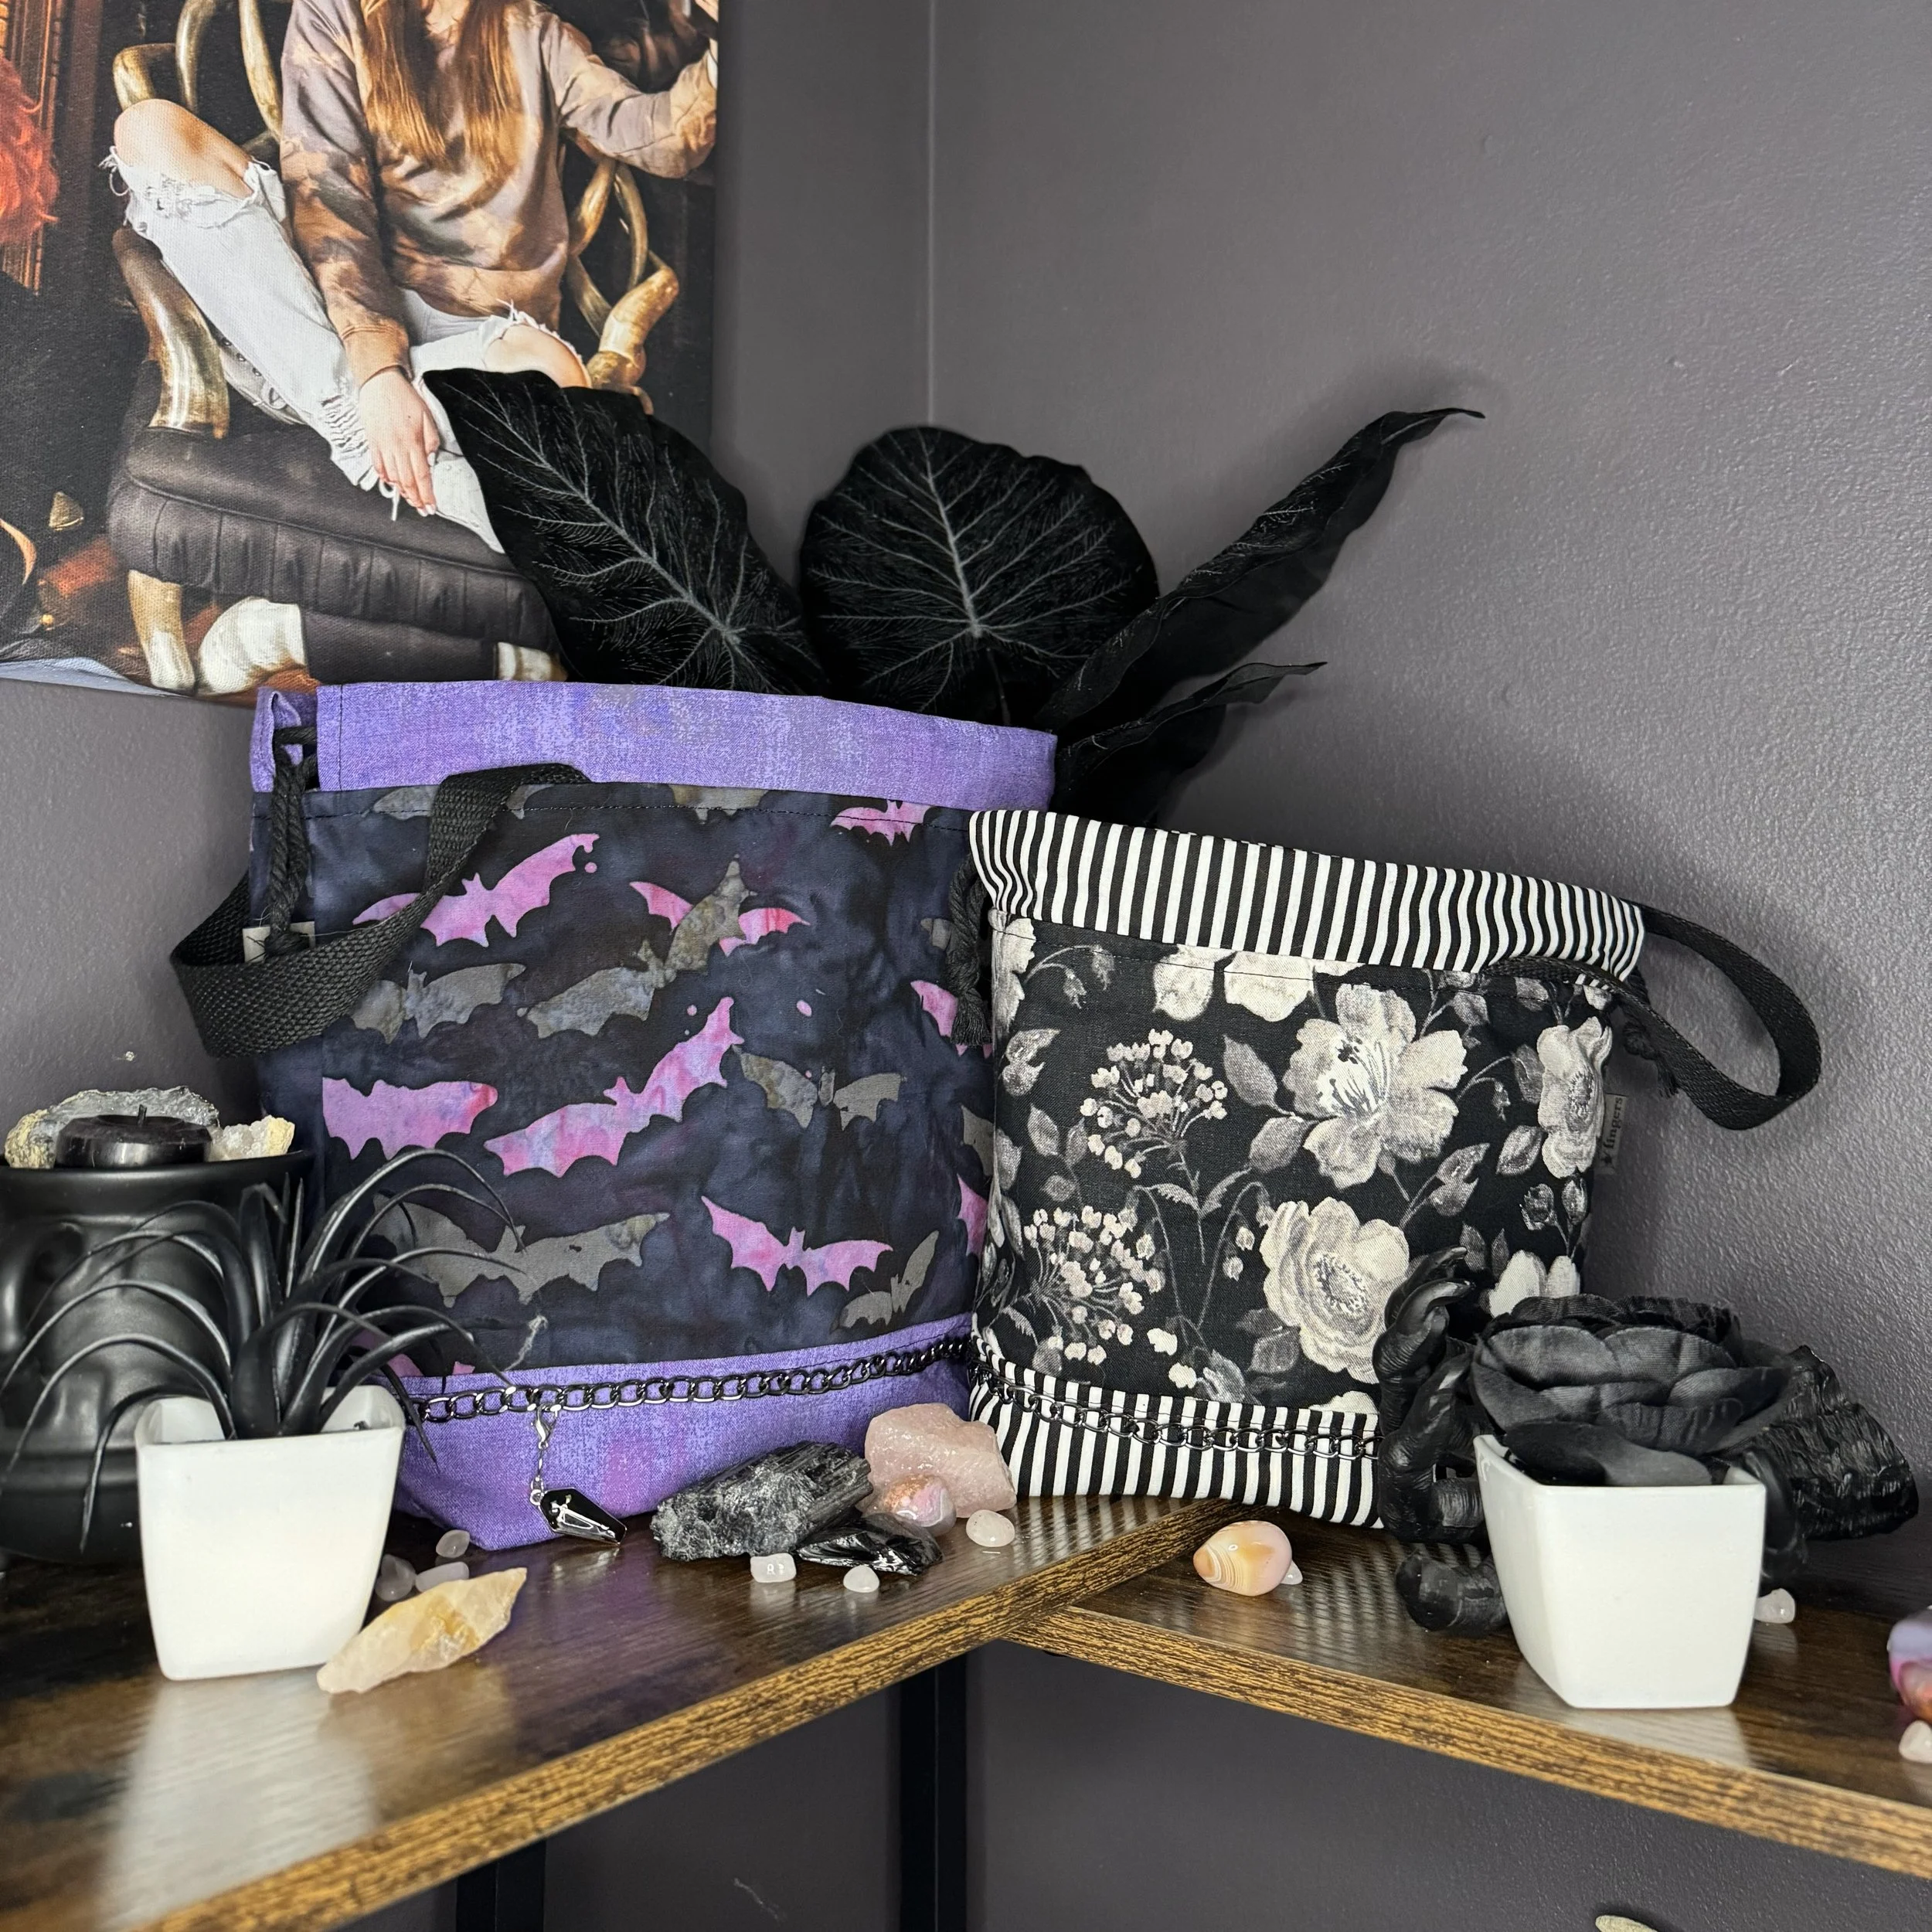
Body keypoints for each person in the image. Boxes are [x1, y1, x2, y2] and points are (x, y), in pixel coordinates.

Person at [107, 0, 715, 549]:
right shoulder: (336, 13)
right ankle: (354, 418)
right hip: (325, 316)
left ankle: (346, 418)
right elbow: (329, 203)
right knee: (149, 128)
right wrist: (377, 377)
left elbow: (662, 140)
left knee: (549, 365)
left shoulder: (536, 32)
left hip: (465, 353)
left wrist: (725, 45)